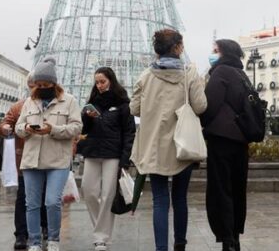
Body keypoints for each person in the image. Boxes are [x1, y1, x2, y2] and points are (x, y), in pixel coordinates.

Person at [130, 29, 207, 251]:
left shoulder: (145, 76)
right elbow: (201, 106)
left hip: (153, 146)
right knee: (180, 198)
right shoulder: (189, 73)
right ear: (178, 48)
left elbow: (134, 107)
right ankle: (180, 244)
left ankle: (161, 248)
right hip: (183, 146)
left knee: (160, 201)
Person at [15, 58, 82, 251]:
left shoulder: (69, 101)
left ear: (54, 83)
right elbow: (18, 128)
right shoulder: (29, 102)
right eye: (39, 84)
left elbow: (77, 127)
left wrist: (53, 129)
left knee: (52, 202)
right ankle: (34, 242)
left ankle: (53, 239)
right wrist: (27, 128)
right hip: (32, 159)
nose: (41, 88)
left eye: (46, 84)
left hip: (57, 160)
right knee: (32, 204)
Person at [77, 67, 135, 251]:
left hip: (113, 154)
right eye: (97, 82)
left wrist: (125, 158)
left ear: (111, 80)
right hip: (93, 151)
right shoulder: (92, 103)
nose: (99, 85)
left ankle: (101, 238)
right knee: (89, 190)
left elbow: (129, 132)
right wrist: (87, 117)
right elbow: (84, 130)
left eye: (102, 81)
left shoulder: (123, 104)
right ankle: (100, 230)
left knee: (108, 195)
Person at [201, 39, 250, 251]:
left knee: (221, 189)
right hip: (241, 140)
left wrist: (202, 126)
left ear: (223, 53)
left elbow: (208, 106)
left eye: (215, 50)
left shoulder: (220, 73)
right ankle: (235, 236)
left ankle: (227, 238)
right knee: (238, 188)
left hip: (221, 140)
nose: (212, 54)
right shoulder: (242, 74)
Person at [0, 75, 48, 250]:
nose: (36, 88)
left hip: (46, 158)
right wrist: (5, 128)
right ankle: (21, 234)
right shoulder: (19, 106)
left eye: (40, 85)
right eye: (33, 85)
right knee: (23, 197)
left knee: (44, 197)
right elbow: (6, 122)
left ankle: (45, 227)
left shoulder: (51, 104)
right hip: (24, 158)